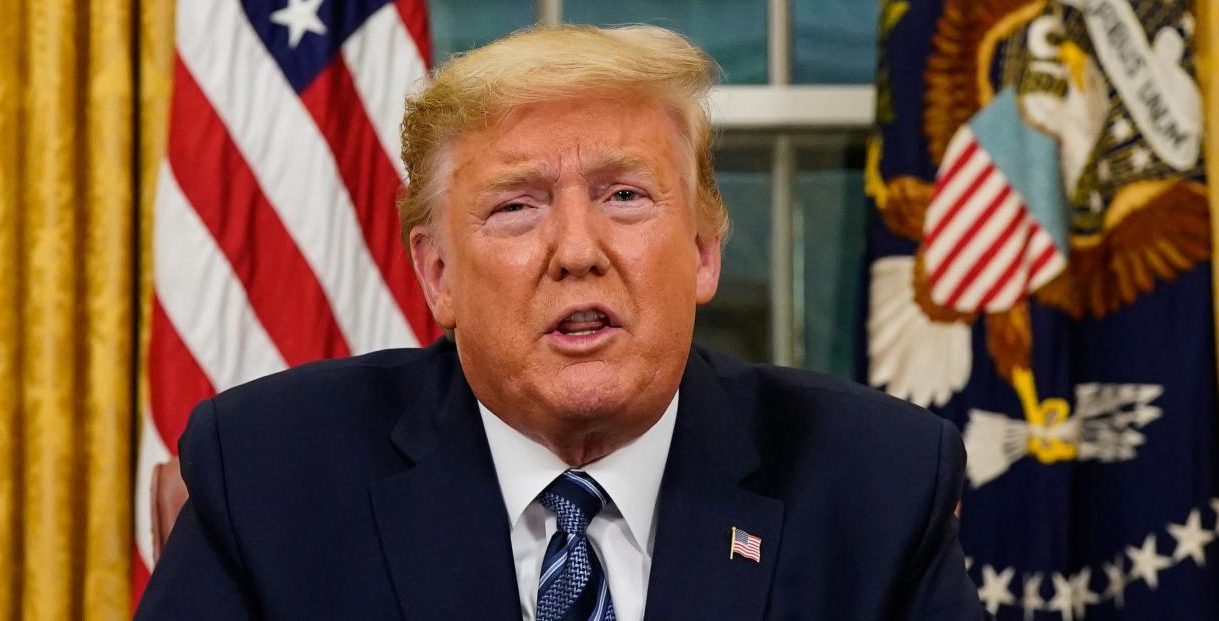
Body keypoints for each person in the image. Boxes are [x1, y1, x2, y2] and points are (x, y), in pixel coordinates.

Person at [136, 24, 984, 620]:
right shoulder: (268, 472)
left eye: (624, 195)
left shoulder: (875, 483)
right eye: (516, 206)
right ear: (437, 274)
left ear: (701, 251)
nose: (578, 250)